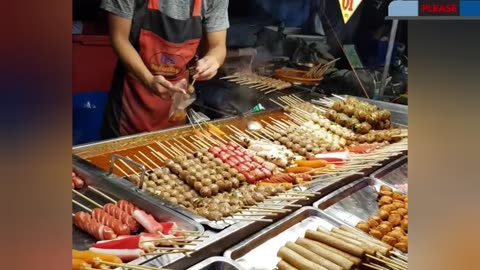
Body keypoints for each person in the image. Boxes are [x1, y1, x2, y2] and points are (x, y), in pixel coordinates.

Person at [100, 0, 229, 139]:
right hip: (130, 104)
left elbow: (218, 47)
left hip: (177, 102)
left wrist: (214, 59)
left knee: (171, 153)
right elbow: (119, 38)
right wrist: (148, 80)